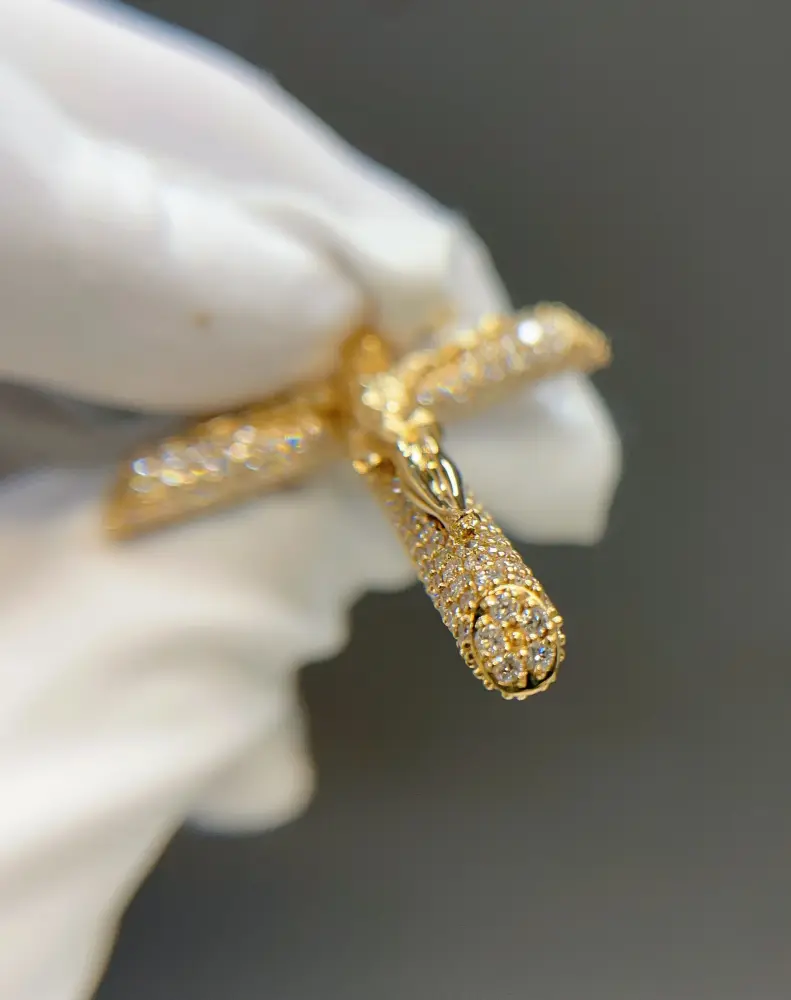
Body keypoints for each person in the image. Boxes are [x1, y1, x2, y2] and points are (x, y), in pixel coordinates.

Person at [0, 1, 621, 997]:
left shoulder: (394, 423)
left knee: (402, 458)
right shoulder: (381, 406)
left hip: (354, 437)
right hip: (309, 436)